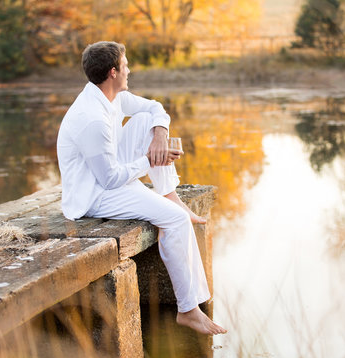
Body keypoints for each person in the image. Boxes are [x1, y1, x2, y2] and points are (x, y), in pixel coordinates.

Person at [56, 41, 226, 335]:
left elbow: (154, 108)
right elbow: (109, 180)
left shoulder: (110, 97)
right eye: (126, 65)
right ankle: (188, 311)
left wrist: (160, 135)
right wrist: (149, 160)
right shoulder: (91, 119)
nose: (129, 69)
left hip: (107, 176)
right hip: (94, 195)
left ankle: (168, 192)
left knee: (147, 120)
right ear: (113, 72)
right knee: (176, 220)